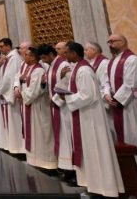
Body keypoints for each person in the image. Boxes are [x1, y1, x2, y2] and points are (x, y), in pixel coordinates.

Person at [55, 42, 123, 197]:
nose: (64, 56)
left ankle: (102, 188)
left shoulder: (84, 70)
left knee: (95, 151)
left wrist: (67, 98)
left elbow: (87, 95)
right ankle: (92, 185)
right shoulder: (76, 68)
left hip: (90, 118)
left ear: (74, 53)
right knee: (88, 152)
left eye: (67, 52)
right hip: (82, 115)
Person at [103, 34, 137, 192]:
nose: (111, 43)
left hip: (131, 106)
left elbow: (130, 84)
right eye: (109, 41)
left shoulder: (132, 60)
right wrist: (106, 94)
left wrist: (117, 99)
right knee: (122, 140)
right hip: (117, 105)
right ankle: (128, 179)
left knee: (136, 141)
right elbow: (105, 81)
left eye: (114, 41)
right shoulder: (111, 61)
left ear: (124, 42)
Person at [20, 46, 56, 170]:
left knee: (42, 134)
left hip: (39, 106)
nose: (25, 56)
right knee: (35, 134)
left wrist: (22, 93)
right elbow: (25, 84)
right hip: (32, 105)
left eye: (27, 54)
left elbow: (35, 90)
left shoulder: (38, 71)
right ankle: (35, 160)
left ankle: (46, 162)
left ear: (33, 57)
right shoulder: (30, 69)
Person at [48, 40, 74, 180]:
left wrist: (55, 99)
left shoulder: (64, 64)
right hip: (59, 105)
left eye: (59, 48)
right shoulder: (56, 64)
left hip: (66, 107)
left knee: (67, 138)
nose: (57, 51)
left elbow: (67, 84)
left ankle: (70, 169)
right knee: (62, 137)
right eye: (56, 48)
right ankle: (65, 166)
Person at [0, 39, 27, 154]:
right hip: (9, 92)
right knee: (12, 121)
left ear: (7, 46)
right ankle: (15, 146)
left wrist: (2, 91)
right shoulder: (8, 58)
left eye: (1, 46)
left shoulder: (14, 58)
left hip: (13, 94)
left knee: (16, 121)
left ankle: (19, 148)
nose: (0, 49)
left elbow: (10, 77)